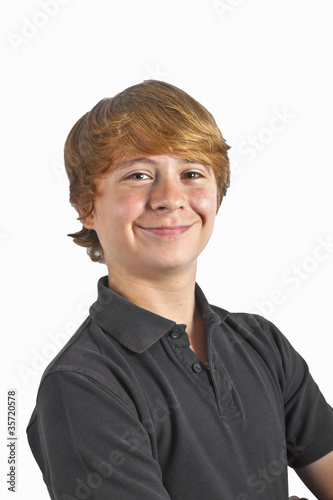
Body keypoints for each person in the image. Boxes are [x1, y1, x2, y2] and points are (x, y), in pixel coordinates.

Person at [27, 80, 333, 499]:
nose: (170, 198)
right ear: (86, 207)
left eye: (192, 173)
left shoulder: (262, 343)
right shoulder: (82, 385)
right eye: (138, 175)